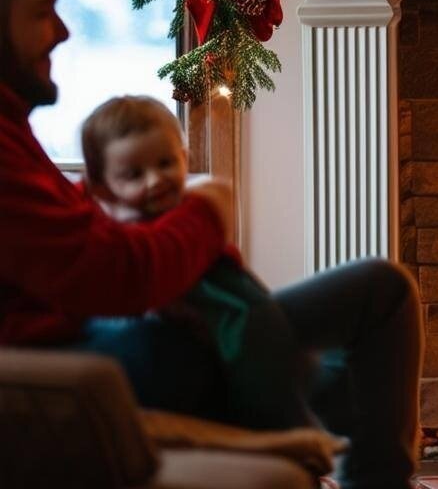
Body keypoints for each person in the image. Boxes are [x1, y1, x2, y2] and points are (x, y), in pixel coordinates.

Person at [0, 0, 423, 489]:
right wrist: (208, 206)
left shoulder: (11, 126)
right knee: (260, 336)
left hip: (126, 324)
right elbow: (120, 275)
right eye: (42, 11)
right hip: (100, 354)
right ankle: (330, 424)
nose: (63, 31)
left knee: (382, 289)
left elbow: (67, 239)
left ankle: (344, 433)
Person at [81, 94, 310, 431]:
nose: (155, 180)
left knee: (270, 381)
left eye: (165, 164)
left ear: (184, 159)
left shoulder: (192, 207)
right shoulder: (114, 235)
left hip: (242, 318)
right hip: (201, 336)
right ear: (102, 189)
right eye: (133, 175)